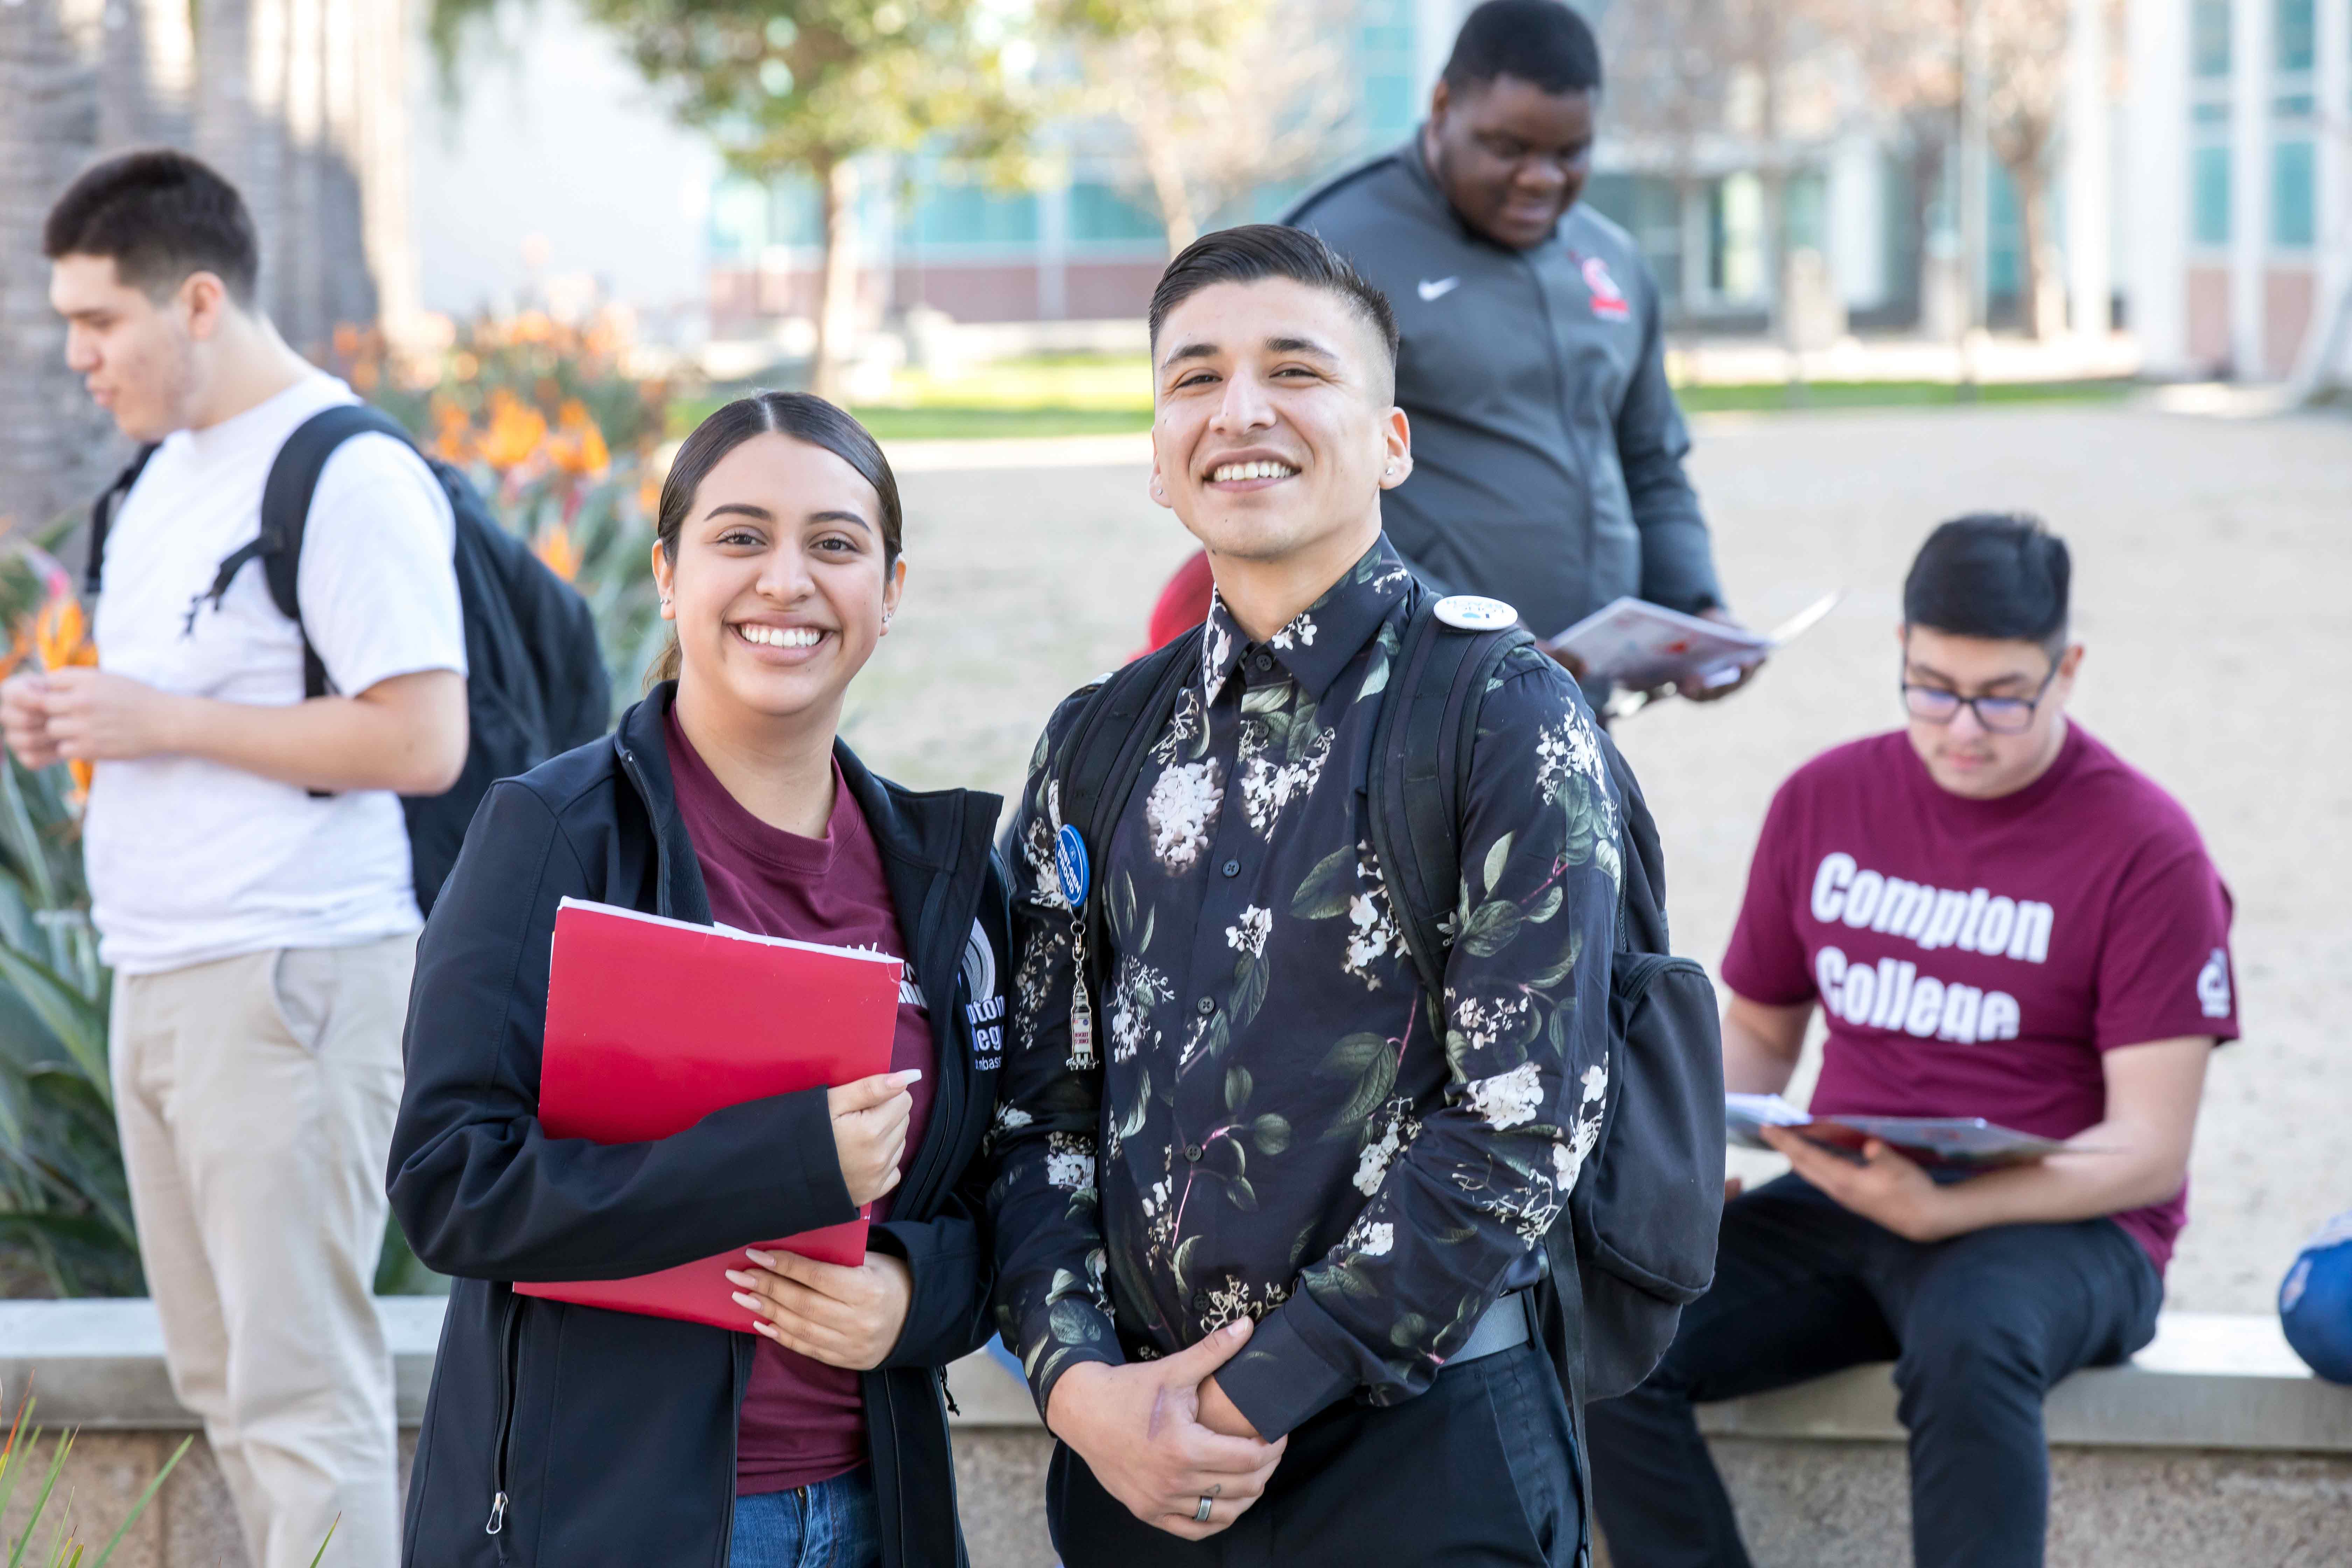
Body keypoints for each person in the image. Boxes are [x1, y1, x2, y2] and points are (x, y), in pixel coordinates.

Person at [988, 224, 1617, 1565]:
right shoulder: (1095, 741)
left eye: (1295, 370)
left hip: (1425, 1460)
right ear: (1160, 456)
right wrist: (1079, 1389)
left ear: (1390, 439)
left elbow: (1521, 1131)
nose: (1242, 411)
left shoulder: (1503, 716)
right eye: (1194, 378)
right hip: (1132, 1474)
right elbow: (1034, 1108)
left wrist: (1236, 1402)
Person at [386, 393, 1008, 1568]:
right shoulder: (556, 834)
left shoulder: (945, 879)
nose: (787, 580)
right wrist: (788, 1165)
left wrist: (913, 1296)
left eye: (834, 544)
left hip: (877, 1513)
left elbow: (1000, 1193)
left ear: (892, 590)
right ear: (669, 575)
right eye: (740, 538)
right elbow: (448, 1183)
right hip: (624, 1522)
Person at [1587, 514, 2239, 1568]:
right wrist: (1693, 1158)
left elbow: (2151, 1149)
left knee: (1970, 1348)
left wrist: (1954, 1207)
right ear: (1900, 650)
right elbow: (1760, 1027)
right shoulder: (1827, 797)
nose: (1964, 729)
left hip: (2065, 1223)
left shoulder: (2148, 850)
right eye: (1933, 687)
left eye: (2002, 696)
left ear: (2067, 670)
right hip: (1854, 1189)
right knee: (1607, 1324)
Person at [4, 150, 469, 1568]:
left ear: (197, 300)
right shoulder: (154, 485)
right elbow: (178, 722)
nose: (79, 357)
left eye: (102, 323)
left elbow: (422, 738)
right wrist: (80, 724)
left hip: (291, 978)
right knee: (222, 1381)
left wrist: (160, 718)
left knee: (300, 1394)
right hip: (162, 975)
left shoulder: (348, 473)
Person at [1284, 0, 1753, 706]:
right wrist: (1457, 629)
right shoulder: (1330, 253)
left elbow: (1651, 462)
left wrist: (1696, 607)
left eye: (1571, 153)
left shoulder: (1613, 259)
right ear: (1442, 106)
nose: (1542, 178)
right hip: (1406, 708)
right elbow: (1295, 493)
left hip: (1580, 707)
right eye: (1508, 148)